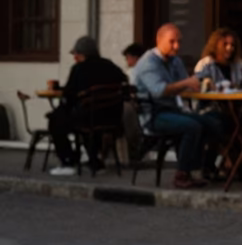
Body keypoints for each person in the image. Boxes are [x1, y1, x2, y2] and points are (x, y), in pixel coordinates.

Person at [133, 23, 225, 189]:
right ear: (159, 40)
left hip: (174, 110)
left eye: (179, 42)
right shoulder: (148, 63)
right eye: (172, 42)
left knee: (212, 121)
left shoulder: (175, 60)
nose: (177, 46)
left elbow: (185, 83)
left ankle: (202, 168)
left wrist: (201, 83)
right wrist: (187, 83)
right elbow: (159, 91)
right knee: (192, 126)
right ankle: (182, 174)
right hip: (154, 115)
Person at [48, 37, 126, 177]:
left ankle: (68, 160)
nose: (75, 58)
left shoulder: (79, 69)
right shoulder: (110, 66)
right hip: (112, 118)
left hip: (87, 118)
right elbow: (124, 82)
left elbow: (69, 95)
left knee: (56, 119)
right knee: (86, 116)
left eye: (75, 54)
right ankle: (94, 161)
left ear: (81, 54)